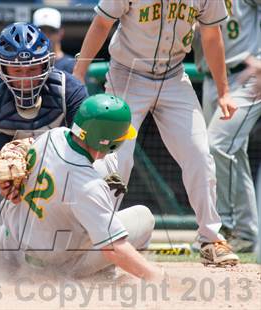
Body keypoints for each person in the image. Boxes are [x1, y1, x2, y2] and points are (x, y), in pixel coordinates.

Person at [73, 0, 239, 266]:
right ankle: (99, 236)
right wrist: (79, 73)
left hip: (174, 77)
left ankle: (211, 239)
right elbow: (103, 22)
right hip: (127, 74)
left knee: (199, 154)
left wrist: (224, 92)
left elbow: (211, 34)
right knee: (117, 160)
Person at [0, 93, 164, 281]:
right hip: (49, 269)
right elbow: (114, 248)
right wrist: (155, 276)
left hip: (10, 242)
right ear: (109, 141)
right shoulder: (87, 184)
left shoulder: (52, 135)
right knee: (143, 216)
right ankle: (101, 276)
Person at [0, 22, 88, 204]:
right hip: (26, 193)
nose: (25, 78)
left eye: (32, 69)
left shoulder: (69, 91)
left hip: (72, 180)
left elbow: (86, 150)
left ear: (46, 64)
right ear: (2, 68)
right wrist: (5, 184)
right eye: (17, 70)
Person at [193, 0, 261, 253]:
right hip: (212, 79)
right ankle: (244, 232)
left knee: (217, 144)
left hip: (247, 77)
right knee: (230, 151)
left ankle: (225, 227)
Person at [33, 7, 76, 73]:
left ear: (61, 32)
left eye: (52, 31)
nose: (46, 35)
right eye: (41, 31)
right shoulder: (27, 64)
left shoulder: (72, 65)